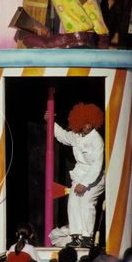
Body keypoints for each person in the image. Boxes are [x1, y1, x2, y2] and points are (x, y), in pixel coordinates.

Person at [45, 103, 105, 248]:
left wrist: (84, 184)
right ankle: (76, 236)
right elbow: (63, 136)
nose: (88, 126)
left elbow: (97, 165)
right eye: (85, 123)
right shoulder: (76, 136)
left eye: (90, 123)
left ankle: (87, 237)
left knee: (86, 202)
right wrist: (51, 122)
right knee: (73, 202)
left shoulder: (97, 140)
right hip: (79, 175)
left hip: (95, 178)